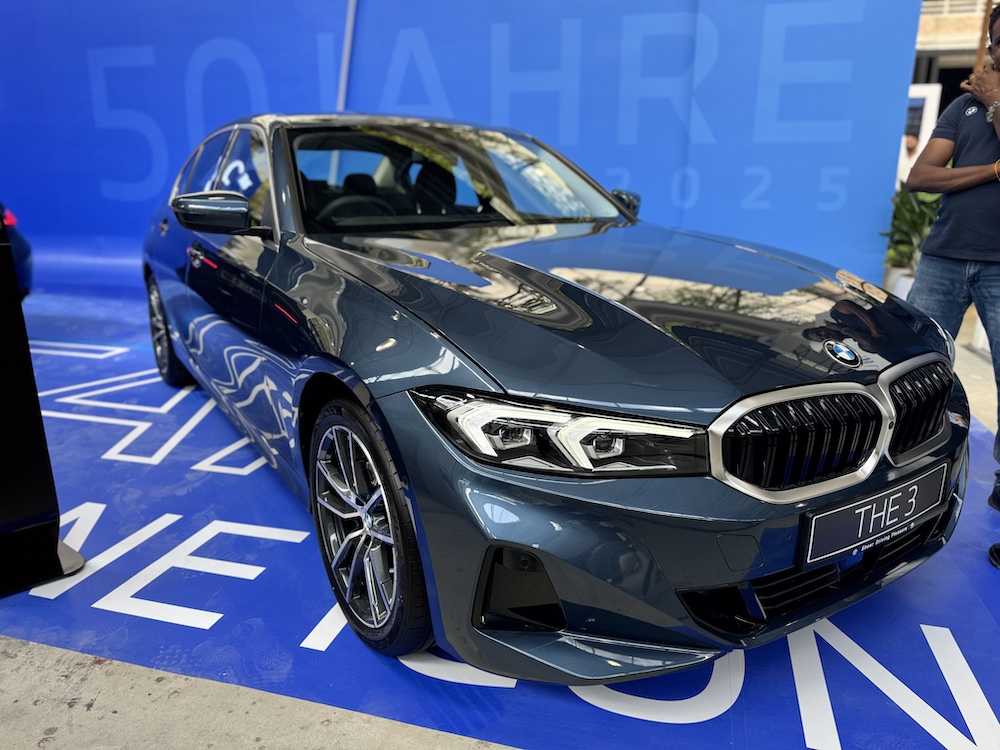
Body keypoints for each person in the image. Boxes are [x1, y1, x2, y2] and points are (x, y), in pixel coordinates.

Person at [905, 3, 1000, 549]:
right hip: (943, 257)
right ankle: (910, 465)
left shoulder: (985, 99)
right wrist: (992, 170)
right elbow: (921, 176)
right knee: (918, 370)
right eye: (997, 39)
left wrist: (996, 100)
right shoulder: (964, 106)